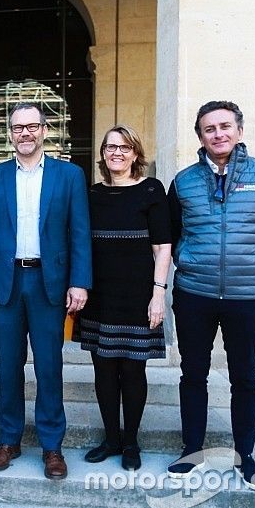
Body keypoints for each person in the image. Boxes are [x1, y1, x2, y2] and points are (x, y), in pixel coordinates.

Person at [166, 101, 255, 491]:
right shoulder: (184, 181)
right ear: (200, 136)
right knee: (193, 374)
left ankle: (246, 456)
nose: (218, 134)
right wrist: (189, 263)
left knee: (244, 376)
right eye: (209, 129)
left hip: (247, 296)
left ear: (239, 129)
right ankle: (192, 450)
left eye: (225, 126)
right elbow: (172, 234)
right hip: (195, 294)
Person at [0, 102, 92, 480]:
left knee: (49, 366)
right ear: (10, 134)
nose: (25, 133)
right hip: (7, 283)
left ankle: (52, 446)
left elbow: (79, 233)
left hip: (49, 284)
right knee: (9, 366)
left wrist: (79, 282)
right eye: (17, 127)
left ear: (44, 130)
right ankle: (9, 440)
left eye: (32, 126)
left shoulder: (69, 175)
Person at [77, 125, 171, 471]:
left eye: (124, 147)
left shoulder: (151, 190)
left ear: (135, 153)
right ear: (102, 154)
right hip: (100, 295)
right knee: (103, 370)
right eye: (110, 147)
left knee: (133, 371)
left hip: (137, 296)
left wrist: (158, 295)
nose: (116, 152)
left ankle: (131, 441)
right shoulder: (92, 194)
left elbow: (163, 247)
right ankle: (111, 438)